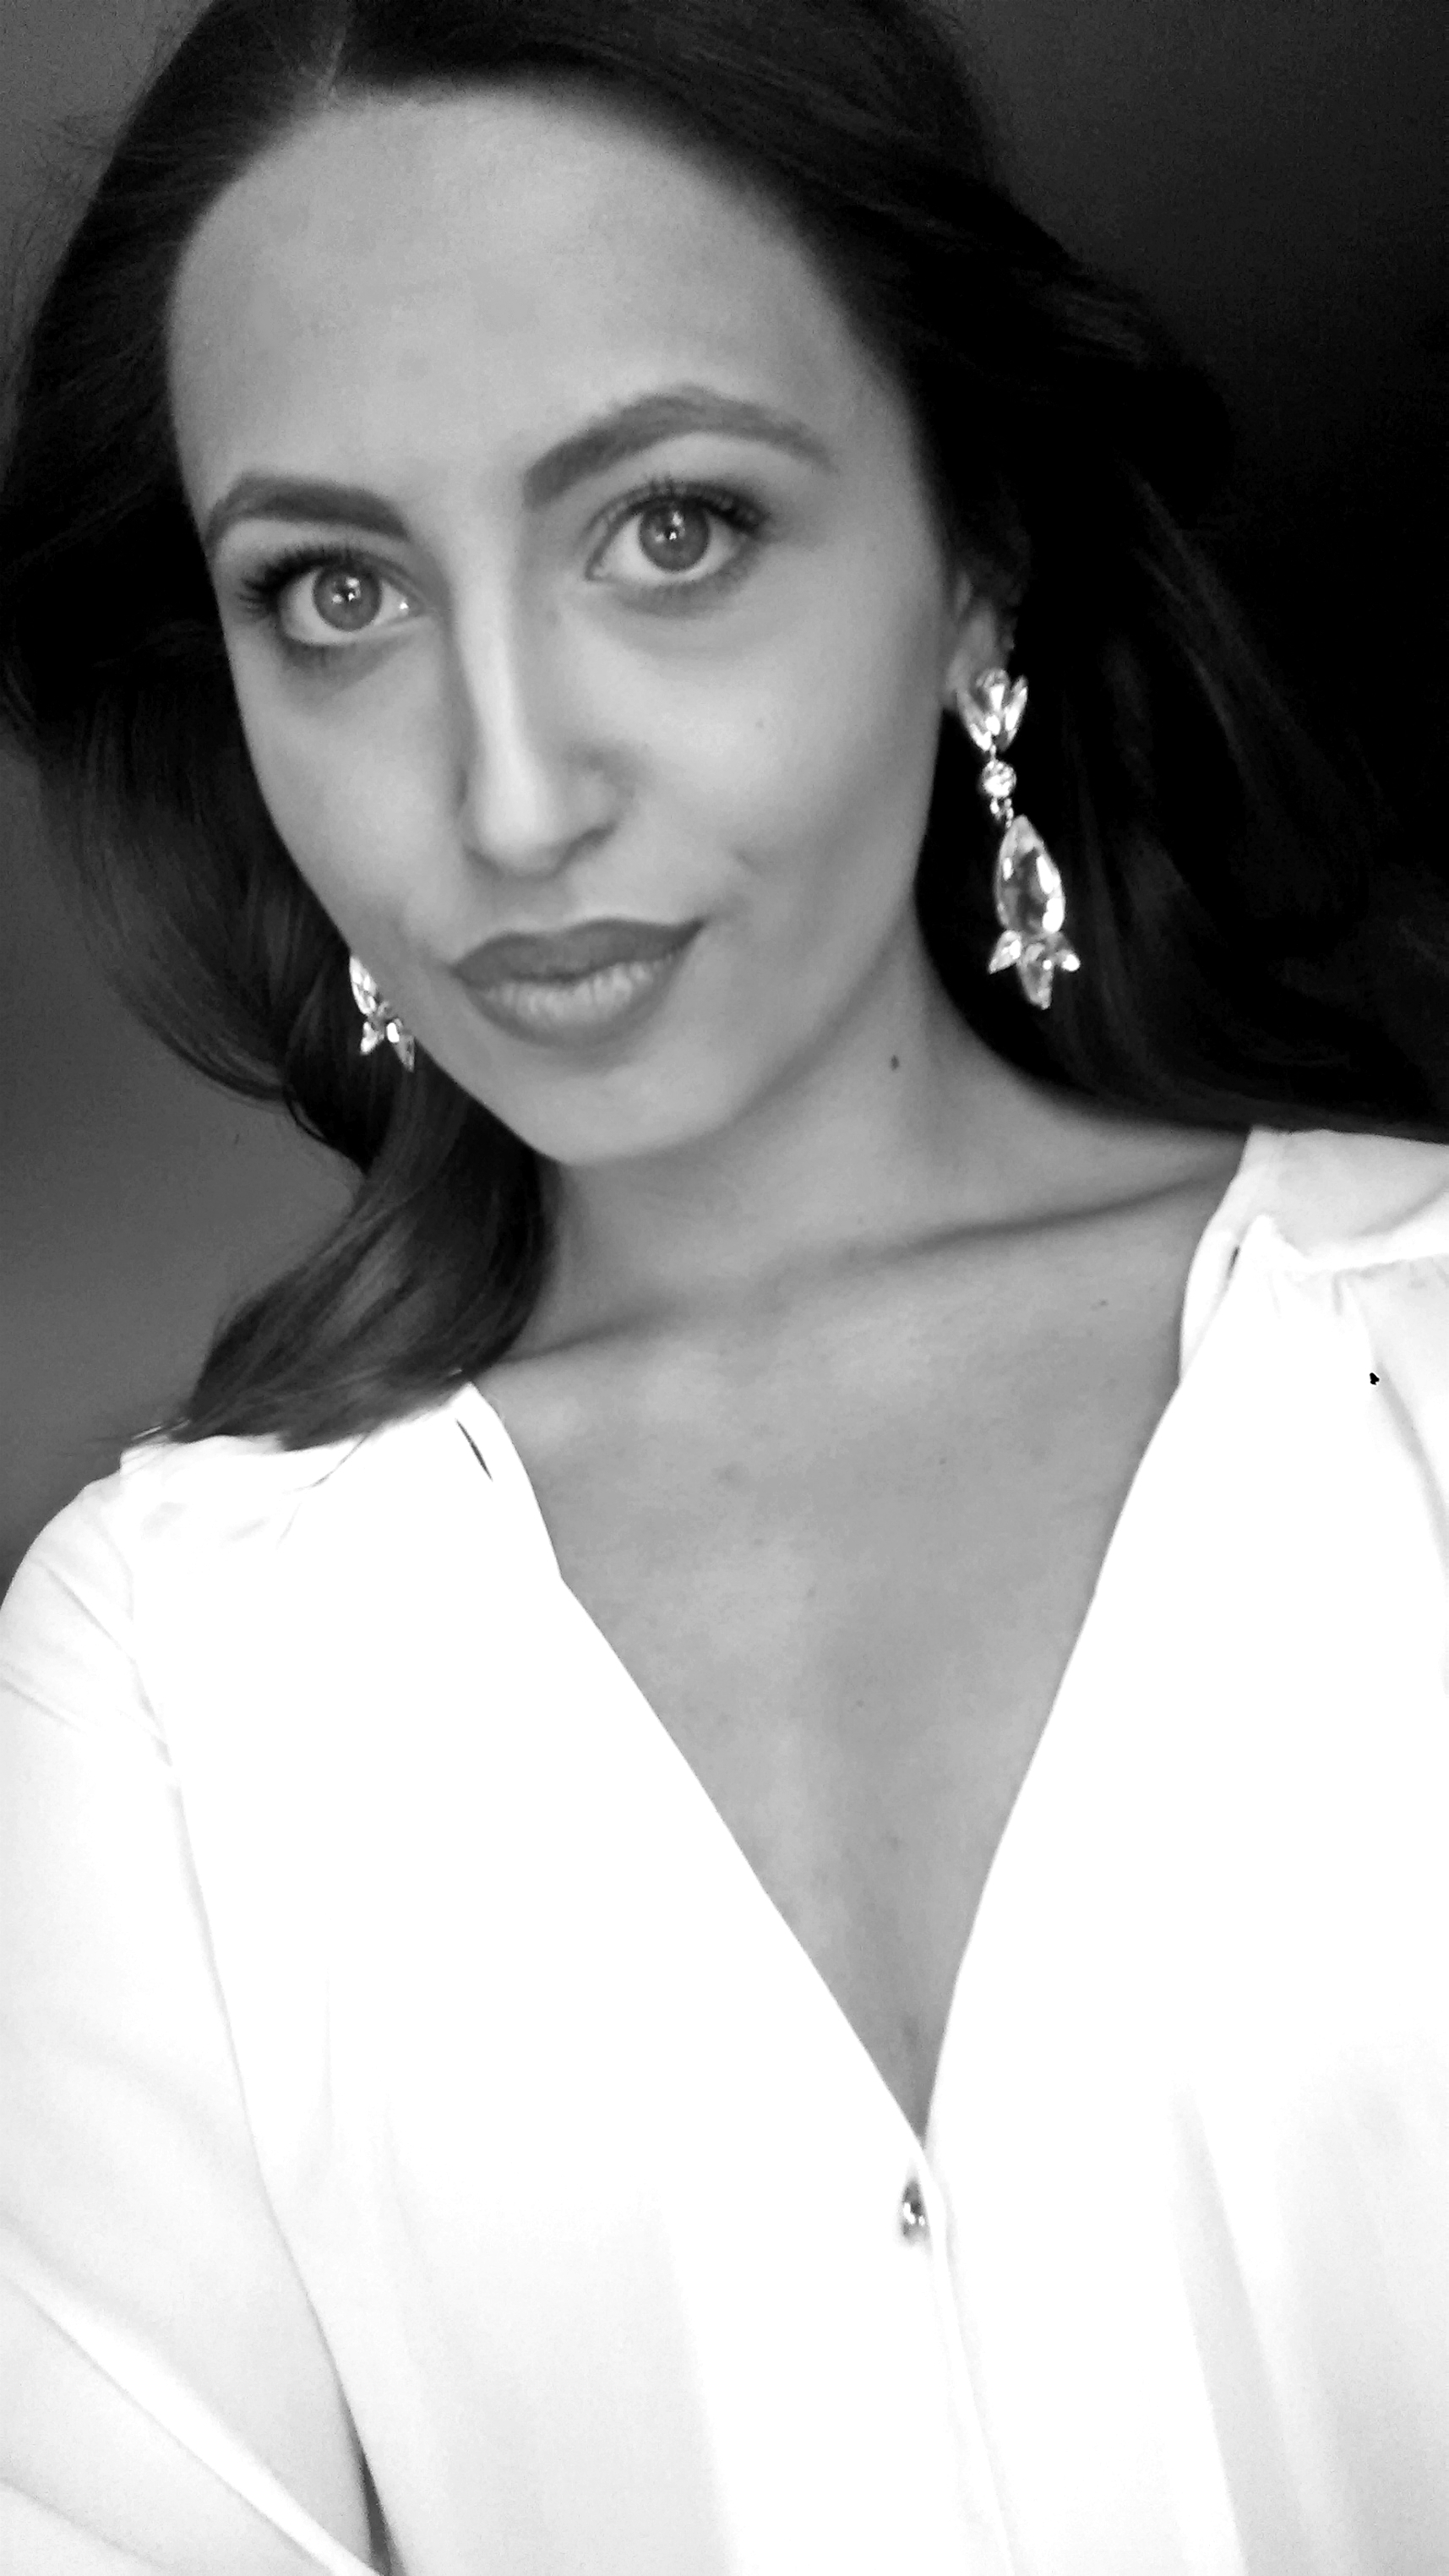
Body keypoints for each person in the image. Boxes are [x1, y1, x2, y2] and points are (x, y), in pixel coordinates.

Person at [1, 0, 1446, 2568]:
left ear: (974, 551)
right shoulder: (167, 1678)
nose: (510, 793)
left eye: (667, 528)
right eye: (335, 590)